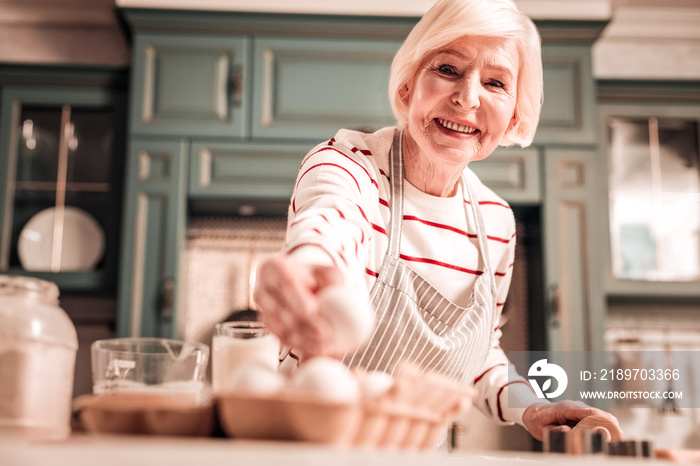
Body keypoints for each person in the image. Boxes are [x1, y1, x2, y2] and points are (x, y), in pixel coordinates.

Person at [253, 0, 618, 442]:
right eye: (448, 69)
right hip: (303, 447)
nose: (467, 97)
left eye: (495, 82)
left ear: (514, 116)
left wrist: (532, 409)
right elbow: (330, 224)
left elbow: (481, 354)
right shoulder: (348, 165)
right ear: (408, 86)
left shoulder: (496, 223)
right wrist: (308, 268)